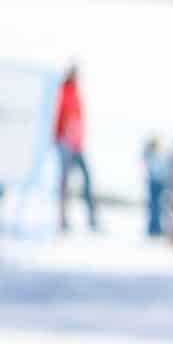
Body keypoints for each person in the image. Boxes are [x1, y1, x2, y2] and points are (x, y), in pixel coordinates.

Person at [56, 65, 98, 232]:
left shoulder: (76, 92)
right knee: (64, 183)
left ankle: (92, 218)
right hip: (65, 144)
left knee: (87, 180)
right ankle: (63, 219)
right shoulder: (63, 92)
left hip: (77, 145)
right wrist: (61, 137)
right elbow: (60, 118)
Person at [143, 138, 170, 239]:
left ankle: (156, 228)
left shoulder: (158, 155)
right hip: (154, 183)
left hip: (158, 183)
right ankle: (153, 229)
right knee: (155, 207)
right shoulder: (151, 155)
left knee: (158, 207)